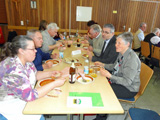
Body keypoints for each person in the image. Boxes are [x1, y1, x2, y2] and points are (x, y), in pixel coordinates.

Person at [0, 35, 66, 120]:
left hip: (22, 98)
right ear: (21, 51)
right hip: (10, 106)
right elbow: (30, 95)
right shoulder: (13, 69)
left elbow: (34, 74)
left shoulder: (26, 60)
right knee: (40, 113)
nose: (35, 51)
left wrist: (51, 73)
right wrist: (55, 83)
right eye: (32, 49)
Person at [94, 32, 141, 120]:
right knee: (101, 85)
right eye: (116, 42)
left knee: (104, 90)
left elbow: (127, 82)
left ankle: (101, 118)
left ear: (127, 44)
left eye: (119, 43)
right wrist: (103, 64)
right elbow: (114, 66)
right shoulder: (122, 53)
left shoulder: (131, 59)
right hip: (120, 82)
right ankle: (100, 114)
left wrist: (110, 76)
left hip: (129, 89)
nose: (116, 45)